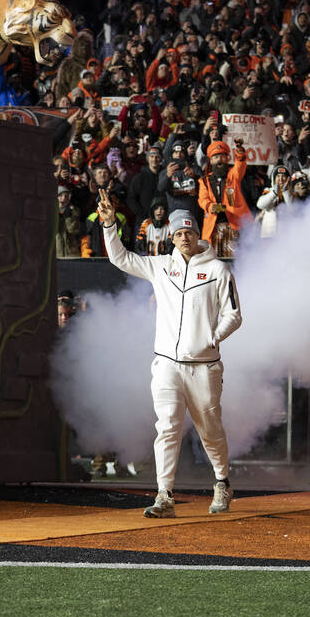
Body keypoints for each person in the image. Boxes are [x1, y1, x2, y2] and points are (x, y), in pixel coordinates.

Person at [97, 192, 242, 518]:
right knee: (167, 428)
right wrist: (109, 224)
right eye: (178, 233)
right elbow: (121, 259)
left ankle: (222, 483)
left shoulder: (218, 270)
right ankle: (164, 495)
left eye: (189, 232)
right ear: (172, 237)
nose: (184, 237)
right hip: (166, 364)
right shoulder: (161, 266)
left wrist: (213, 338)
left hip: (204, 367)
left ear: (197, 234)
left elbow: (234, 315)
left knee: (211, 429)